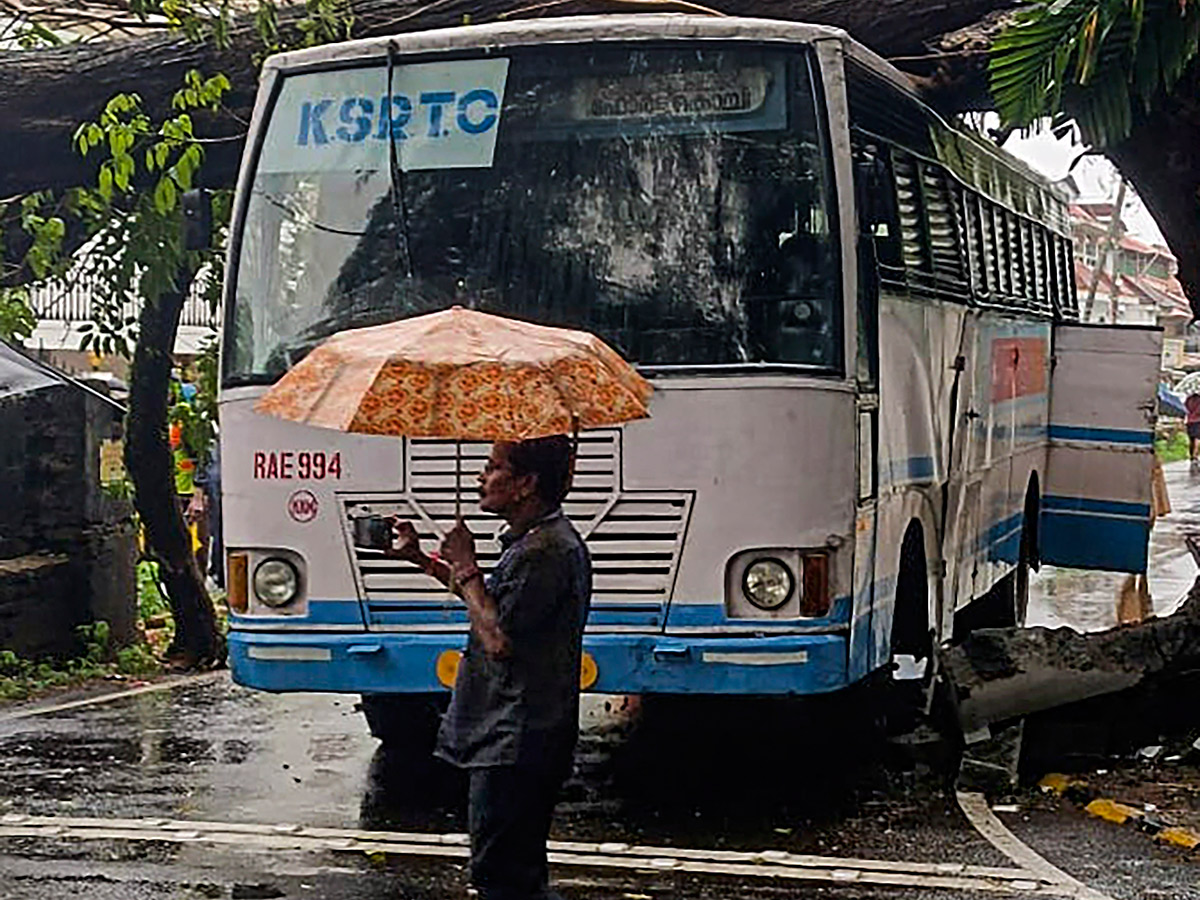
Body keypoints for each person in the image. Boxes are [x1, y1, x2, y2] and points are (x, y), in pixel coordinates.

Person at [386, 435, 591, 900]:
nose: (482, 476)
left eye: (494, 466)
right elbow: (490, 606)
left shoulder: (548, 552)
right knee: (512, 870)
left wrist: (468, 564)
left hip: (518, 736)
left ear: (525, 484)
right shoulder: (535, 543)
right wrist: (423, 559)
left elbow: (498, 639)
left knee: (503, 877)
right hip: (515, 732)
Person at [1186, 392, 1200, 466]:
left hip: (1189, 421)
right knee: (1197, 438)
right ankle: (1195, 456)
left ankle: (1192, 456)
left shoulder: (1188, 399)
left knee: (1191, 439)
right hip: (1198, 421)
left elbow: (1185, 408)